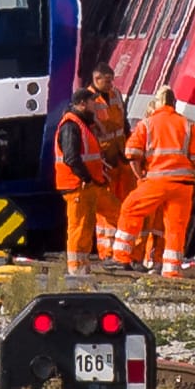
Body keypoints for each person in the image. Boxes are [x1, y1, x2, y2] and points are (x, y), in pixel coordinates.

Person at [107, 87, 195, 278]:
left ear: (158, 103)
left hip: (156, 181)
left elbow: (132, 154)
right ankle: (171, 271)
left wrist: (140, 177)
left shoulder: (147, 124)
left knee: (130, 209)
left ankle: (121, 257)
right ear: (174, 104)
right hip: (183, 185)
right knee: (176, 228)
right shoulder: (189, 127)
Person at [55, 88, 121, 276]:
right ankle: (76, 269)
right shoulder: (70, 126)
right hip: (77, 186)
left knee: (86, 225)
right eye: (92, 102)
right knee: (78, 227)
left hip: (89, 185)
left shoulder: (81, 124)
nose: (95, 105)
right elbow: (71, 157)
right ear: (82, 103)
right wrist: (86, 178)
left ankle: (82, 266)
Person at [88, 63, 129, 260]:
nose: (111, 84)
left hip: (119, 157)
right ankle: (106, 252)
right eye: (108, 80)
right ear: (97, 79)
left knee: (120, 205)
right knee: (105, 210)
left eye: (112, 80)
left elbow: (124, 123)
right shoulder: (88, 99)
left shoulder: (116, 95)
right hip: (102, 160)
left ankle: (118, 249)